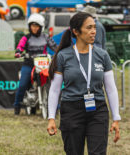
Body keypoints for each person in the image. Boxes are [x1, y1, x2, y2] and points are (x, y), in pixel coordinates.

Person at [47, 12, 121, 155]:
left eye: (94, 27)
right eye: (89, 28)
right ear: (76, 31)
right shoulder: (63, 56)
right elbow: (55, 90)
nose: (94, 31)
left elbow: (111, 89)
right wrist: (51, 117)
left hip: (98, 110)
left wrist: (116, 118)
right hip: (71, 110)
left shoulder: (102, 55)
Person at [13, 13, 57, 115]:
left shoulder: (46, 37)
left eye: (36, 26)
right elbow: (20, 46)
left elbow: (55, 47)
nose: (34, 28)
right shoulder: (26, 38)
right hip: (29, 64)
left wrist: (60, 51)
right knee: (23, 84)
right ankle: (17, 105)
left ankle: (56, 106)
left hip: (44, 65)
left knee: (52, 83)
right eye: (32, 25)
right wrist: (19, 52)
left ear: (41, 27)